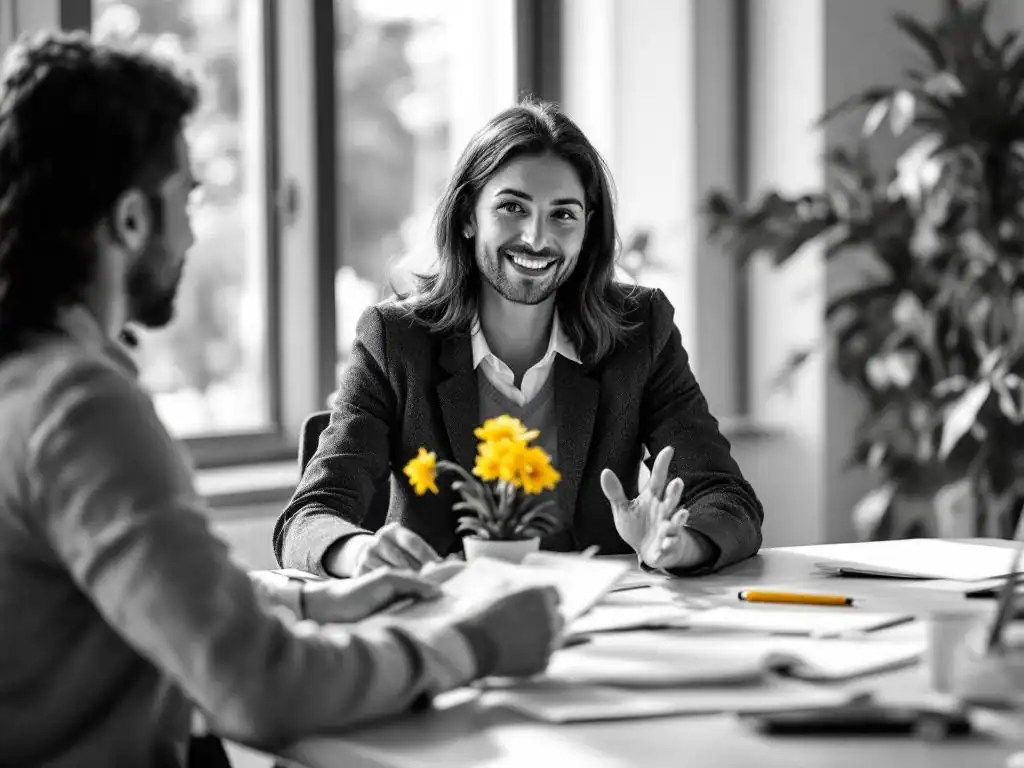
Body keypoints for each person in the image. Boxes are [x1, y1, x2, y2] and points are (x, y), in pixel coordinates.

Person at [0, 31, 562, 768]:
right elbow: (261, 688)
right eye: (188, 198)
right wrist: (474, 644)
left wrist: (309, 603)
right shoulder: (80, 408)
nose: (195, 230)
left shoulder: (26, 382)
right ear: (132, 219)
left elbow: (159, 587)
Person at [275, 98, 765, 580]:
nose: (536, 238)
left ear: (588, 229)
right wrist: (359, 551)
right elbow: (310, 515)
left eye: (563, 214)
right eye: (512, 207)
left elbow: (726, 496)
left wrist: (680, 544)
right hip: (447, 629)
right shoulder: (396, 340)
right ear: (468, 215)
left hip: (602, 629)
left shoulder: (640, 330)